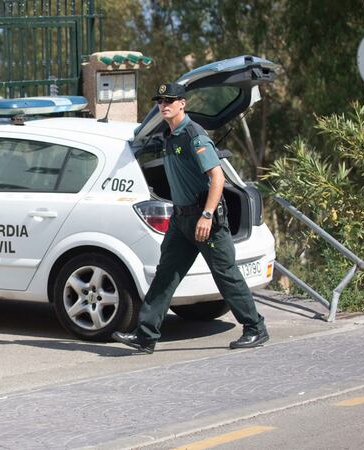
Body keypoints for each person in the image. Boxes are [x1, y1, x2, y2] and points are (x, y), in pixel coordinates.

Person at [112, 82, 269, 354]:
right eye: (160, 101)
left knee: (226, 276)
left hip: (204, 221)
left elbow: (217, 177)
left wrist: (207, 215)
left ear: (182, 103)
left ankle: (255, 327)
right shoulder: (169, 136)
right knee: (165, 277)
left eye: (169, 101)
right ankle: (145, 336)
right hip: (181, 220)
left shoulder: (194, 135)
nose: (164, 105)